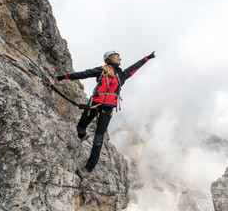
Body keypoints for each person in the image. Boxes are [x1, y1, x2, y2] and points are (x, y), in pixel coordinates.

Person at [56, 50, 156, 179]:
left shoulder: (122, 75)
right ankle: (82, 134)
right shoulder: (102, 70)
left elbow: (135, 66)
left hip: (107, 110)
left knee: (98, 138)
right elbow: (83, 74)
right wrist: (63, 77)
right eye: (117, 56)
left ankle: (88, 168)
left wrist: (148, 57)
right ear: (110, 58)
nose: (120, 58)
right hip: (94, 104)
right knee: (80, 128)